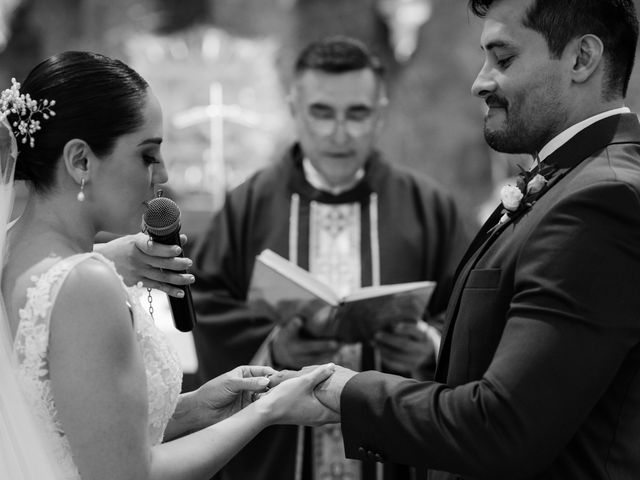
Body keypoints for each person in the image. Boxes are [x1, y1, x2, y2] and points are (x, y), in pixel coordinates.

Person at [305, 0, 640, 478]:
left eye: (503, 59)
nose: (479, 82)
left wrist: (347, 391)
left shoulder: (601, 200)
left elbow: (504, 426)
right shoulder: (573, 180)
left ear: (582, 59)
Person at [0, 50, 338, 480]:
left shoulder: (10, 248)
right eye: (147, 154)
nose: (163, 173)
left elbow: (69, 429)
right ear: (81, 160)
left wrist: (199, 407)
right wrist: (268, 411)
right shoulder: (85, 283)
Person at [189, 36, 470, 480]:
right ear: (295, 110)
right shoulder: (248, 206)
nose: (339, 133)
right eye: (321, 112)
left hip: (393, 452)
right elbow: (207, 308)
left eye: (357, 113)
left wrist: (432, 347)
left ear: (379, 114)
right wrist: (274, 347)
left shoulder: (428, 206)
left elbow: (469, 313)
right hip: (281, 456)